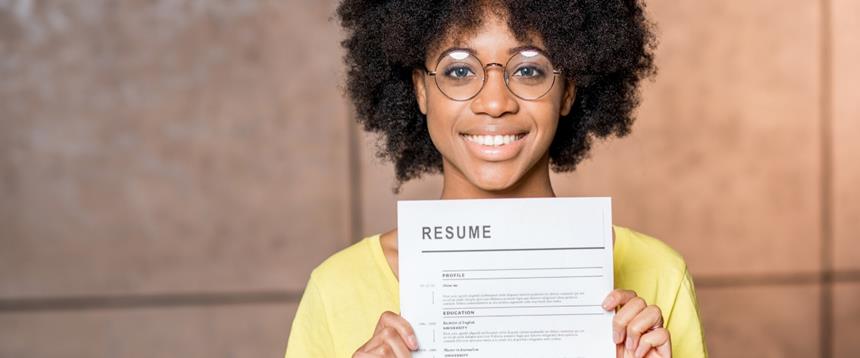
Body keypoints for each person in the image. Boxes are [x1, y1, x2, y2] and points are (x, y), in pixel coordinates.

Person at [286, 0, 707, 357]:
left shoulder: (658, 275)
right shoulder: (335, 288)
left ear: (569, 91)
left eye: (528, 70)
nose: (494, 102)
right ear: (420, 90)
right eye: (459, 71)